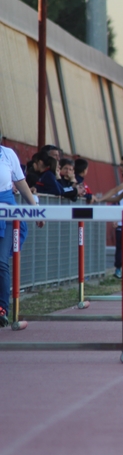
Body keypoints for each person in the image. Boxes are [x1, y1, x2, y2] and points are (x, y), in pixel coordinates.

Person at [0, 136, 42, 328]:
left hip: (7, 214)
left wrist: (35, 210)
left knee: (1, 261)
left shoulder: (8, 155)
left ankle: (2, 308)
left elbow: (22, 184)